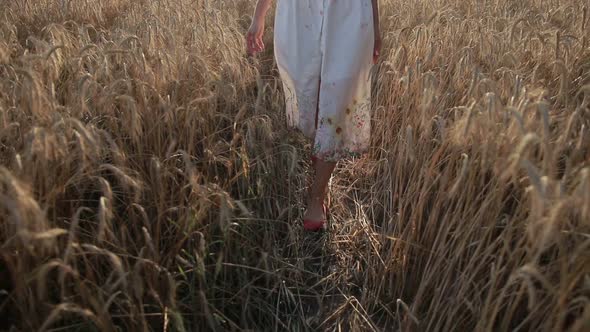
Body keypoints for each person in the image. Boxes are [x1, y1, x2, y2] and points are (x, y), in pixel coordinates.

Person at [246, 0, 381, 231]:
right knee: (309, 98)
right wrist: (259, 16)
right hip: (300, 15)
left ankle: (317, 197)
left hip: (348, 15)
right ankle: (320, 153)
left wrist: (376, 27)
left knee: (337, 104)